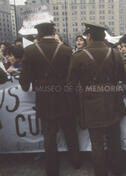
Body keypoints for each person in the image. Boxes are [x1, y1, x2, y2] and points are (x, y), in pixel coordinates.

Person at [19, 22, 81, 176]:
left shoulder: (30, 51)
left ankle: (52, 170)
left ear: (38, 34)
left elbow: (25, 81)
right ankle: (76, 162)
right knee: (70, 132)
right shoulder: (67, 50)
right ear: (54, 31)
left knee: (49, 135)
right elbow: (74, 77)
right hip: (65, 97)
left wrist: (28, 84)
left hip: (44, 98)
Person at [67, 23, 126, 176]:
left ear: (89, 36)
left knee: (97, 143)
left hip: (90, 103)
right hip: (113, 101)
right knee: (114, 140)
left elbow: (71, 85)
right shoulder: (115, 53)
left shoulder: (78, 55)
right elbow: (122, 77)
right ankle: (118, 170)